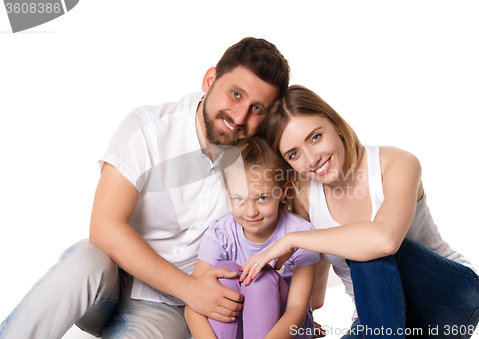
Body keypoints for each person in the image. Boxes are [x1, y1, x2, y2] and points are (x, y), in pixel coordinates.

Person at [0, 37, 290, 339]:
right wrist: (190, 288)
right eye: (235, 94)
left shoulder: (261, 165)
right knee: (82, 261)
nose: (240, 116)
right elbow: (104, 227)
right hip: (110, 277)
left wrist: (300, 311)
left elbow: (301, 223)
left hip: (169, 307)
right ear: (210, 79)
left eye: (257, 108)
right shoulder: (147, 128)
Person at [240, 85, 479, 338]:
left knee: (364, 248)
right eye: (294, 154)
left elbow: (385, 241)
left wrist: (291, 239)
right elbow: (317, 294)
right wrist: (298, 316)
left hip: (450, 298)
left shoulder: (396, 164)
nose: (312, 159)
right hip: (380, 320)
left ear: (335, 124)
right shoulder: (304, 196)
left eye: (315, 137)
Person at [185, 136, 320, 339]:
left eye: (262, 198)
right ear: (229, 194)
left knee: (260, 277)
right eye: (238, 199)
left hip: (286, 329)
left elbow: (296, 309)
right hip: (236, 329)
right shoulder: (220, 234)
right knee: (224, 274)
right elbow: (193, 304)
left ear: (282, 192)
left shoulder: (300, 235)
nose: (250, 212)